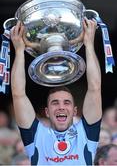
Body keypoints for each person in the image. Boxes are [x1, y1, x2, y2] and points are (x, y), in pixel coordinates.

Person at [10, 17, 102, 165]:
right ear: (47, 112)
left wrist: (89, 45)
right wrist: (19, 51)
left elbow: (95, 88)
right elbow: (18, 94)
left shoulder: (86, 133)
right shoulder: (36, 136)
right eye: (55, 103)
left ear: (74, 110)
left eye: (67, 103)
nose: (61, 106)